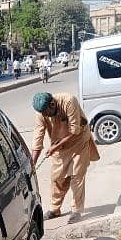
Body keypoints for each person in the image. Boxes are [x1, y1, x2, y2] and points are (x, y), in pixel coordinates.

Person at [31, 92, 100, 223]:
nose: (45, 116)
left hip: (78, 142)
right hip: (59, 147)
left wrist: (55, 147)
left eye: (47, 112)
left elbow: (75, 130)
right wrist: (32, 164)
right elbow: (37, 138)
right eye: (43, 114)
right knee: (57, 179)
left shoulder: (69, 101)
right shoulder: (41, 113)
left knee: (77, 176)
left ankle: (76, 210)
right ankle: (54, 209)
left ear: (52, 104)